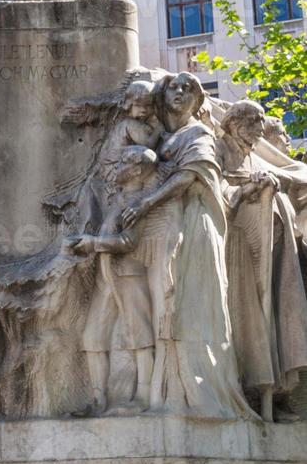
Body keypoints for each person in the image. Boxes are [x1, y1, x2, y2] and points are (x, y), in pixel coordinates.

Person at [121, 73, 253, 420]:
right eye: (173, 87)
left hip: (196, 222)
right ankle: (170, 395)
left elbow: (189, 175)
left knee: (191, 305)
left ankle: (203, 394)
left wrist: (147, 202)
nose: (179, 92)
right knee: (170, 306)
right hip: (171, 226)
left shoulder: (198, 133)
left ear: (198, 100)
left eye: (188, 88)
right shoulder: (162, 136)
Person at [217, 100, 307, 422]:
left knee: (278, 321)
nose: (259, 130)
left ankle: (277, 395)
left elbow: (285, 176)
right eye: (255, 122)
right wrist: (250, 189)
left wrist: (271, 184)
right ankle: (253, 393)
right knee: (251, 323)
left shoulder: (251, 153)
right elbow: (220, 189)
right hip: (238, 247)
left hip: (272, 248)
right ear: (235, 122)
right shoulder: (220, 149)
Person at [69, 146, 159, 414]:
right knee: (93, 336)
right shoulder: (118, 199)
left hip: (130, 275)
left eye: (123, 162)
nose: (117, 166)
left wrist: (93, 244)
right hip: (107, 276)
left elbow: (127, 241)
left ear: (137, 170)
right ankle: (98, 400)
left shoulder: (138, 202)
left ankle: (144, 397)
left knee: (140, 335)